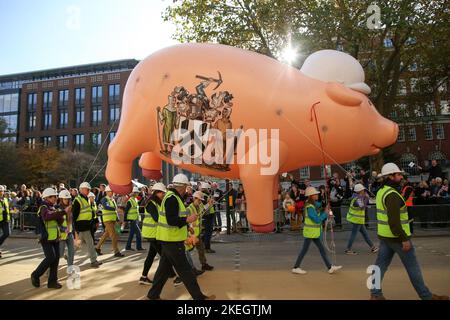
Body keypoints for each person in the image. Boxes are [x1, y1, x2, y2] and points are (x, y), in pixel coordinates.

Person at [370, 163, 448, 300]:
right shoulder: (392, 194)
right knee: (413, 267)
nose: (401, 176)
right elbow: (394, 221)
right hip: (397, 238)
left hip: (385, 237)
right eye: (398, 174)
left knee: (379, 266)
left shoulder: (382, 191)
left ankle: (375, 295)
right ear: (390, 176)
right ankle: (426, 296)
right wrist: (404, 239)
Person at [147, 174, 215, 300]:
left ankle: (153, 295)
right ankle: (199, 298)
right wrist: (187, 219)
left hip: (168, 239)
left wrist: (186, 225)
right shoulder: (172, 198)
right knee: (185, 270)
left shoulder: (172, 197)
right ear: (182, 186)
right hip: (172, 240)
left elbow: (173, 218)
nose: (187, 189)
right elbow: (171, 220)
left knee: (163, 271)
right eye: (186, 186)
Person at [292, 186, 342, 275]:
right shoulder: (310, 207)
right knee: (305, 250)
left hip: (313, 233)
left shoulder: (312, 204)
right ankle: (296, 267)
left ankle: (330, 267)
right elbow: (317, 219)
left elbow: (319, 205)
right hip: (310, 233)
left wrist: (325, 203)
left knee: (320, 250)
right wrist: (325, 213)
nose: (317, 195)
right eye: (315, 194)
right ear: (311, 196)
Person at [31, 188, 66, 289]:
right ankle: (35, 275)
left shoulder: (53, 207)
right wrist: (62, 212)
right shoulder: (43, 207)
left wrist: (61, 216)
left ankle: (52, 282)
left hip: (54, 237)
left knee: (55, 259)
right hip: (46, 237)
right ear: (46, 197)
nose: (55, 198)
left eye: (55, 196)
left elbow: (58, 221)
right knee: (51, 257)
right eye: (53, 196)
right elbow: (46, 217)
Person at [139, 183, 167, 285]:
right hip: (152, 234)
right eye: (162, 193)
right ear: (156, 192)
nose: (163, 194)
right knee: (165, 257)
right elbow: (156, 218)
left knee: (151, 256)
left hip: (155, 234)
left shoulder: (157, 202)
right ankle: (174, 276)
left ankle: (143, 276)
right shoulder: (151, 203)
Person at [72, 182, 102, 268]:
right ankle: (93, 261)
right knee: (90, 244)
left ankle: (68, 255)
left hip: (86, 225)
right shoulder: (77, 200)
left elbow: (90, 212)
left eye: (89, 189)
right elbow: (74, 215)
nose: (88, 190)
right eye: (86, 189)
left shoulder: (87, 199)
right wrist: (75, 229)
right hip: (81, 226)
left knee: (78, 244)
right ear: (81, 190)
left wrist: (94, 220)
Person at [344, 184, 378, 255]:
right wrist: (367, 198)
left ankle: (373, 247)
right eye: (363, 190)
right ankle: (348, 249)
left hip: (357, 220)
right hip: (356, 220)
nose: (364, 191)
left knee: (365, 234)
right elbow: (362, 207)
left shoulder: (358, 197)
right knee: (354, 235)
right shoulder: (357, 199)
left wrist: (366, 198)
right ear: (360, 191)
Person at [187, 191, 214, 272]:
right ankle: (188, 267)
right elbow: (185, 220)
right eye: (199, 200)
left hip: (197, 233)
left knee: (201, 248)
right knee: (187, 251)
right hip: (191, 234)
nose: (200, 201)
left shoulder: (200, 206)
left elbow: (204, 209)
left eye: (201, 200)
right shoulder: (189, 209)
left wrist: (209, 204)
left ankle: (204, 264)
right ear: (194, 198)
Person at [96, 186, 124, 257]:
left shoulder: (112, 200)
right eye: (110, 191)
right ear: (107, 192)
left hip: (113, 220)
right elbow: (106, 207)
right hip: (107, 220)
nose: (112, 193)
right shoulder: (104, 199)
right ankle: (116, 252)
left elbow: (115, 211)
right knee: (114, 235)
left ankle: (97, 248)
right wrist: (116, 209)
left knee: (106, 235)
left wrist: (118, 219)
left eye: (112, 191)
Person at [57, 189, 75, 267]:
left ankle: (70, 267)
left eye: (68, 199)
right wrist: (64, 229)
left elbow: (72, 221)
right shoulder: (58, 209)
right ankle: (49, 270)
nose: (67, 200)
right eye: (65, 199)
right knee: (60, 254)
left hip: (70, 233)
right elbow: (56, 224)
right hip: (61, 235)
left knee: (71, 251)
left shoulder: (71, 208)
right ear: (61, 199)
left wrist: (75, 232)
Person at [125, 187, 145, 251]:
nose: (138, 194)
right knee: (139, 233)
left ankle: (128, 247)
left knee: (131, 234)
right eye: (137, 193)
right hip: (132, 220)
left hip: (134, 219)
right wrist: (125, 220)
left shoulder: (135, 200)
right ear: (134, 193)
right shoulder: (130, 201)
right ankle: (139, 247)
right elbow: (126, 211)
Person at [200, 182, 216, 253]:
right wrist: (210, 203)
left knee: (206, 232)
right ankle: (207, 248)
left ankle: (204, 246)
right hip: (208, 216)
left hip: (207, 216)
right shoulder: (205, 196)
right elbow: (204, 207)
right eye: (209, 189)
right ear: (207, 189)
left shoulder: (204, 195)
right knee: (208, 232)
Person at [0, 185, 11, 258]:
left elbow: (6, 208)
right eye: (0, 191)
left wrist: (12, 210)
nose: (1, 192)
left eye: (2, 191)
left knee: (7, 233)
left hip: (5, 220)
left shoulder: (5, 199)